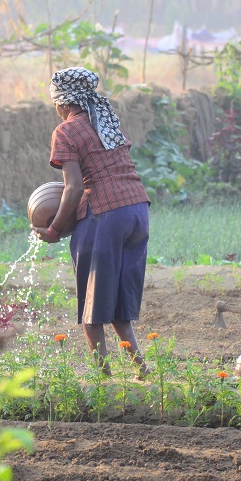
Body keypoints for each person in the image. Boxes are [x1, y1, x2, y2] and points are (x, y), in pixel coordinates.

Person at [32, 66, 151, 379]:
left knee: (92, 314)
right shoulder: (106, 122)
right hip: (137, 211)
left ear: (63, 103)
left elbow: (72, 189)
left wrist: (55, 229)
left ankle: (103, 383)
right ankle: (143, 372)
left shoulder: (66, 131)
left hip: (105, 214)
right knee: (120, 311)